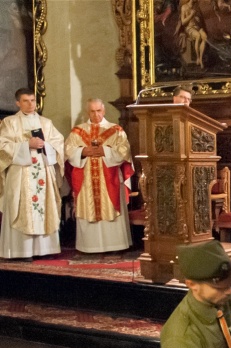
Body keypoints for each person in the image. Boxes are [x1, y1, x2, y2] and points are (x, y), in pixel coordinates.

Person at [0, 88, 65, 259]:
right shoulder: (9, 122)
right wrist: (26, 144)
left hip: (43, 170)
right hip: (21, 172)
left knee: (45, 207)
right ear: (17, 103)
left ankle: (45, 250)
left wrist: (45, 146)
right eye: (26, 101)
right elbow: (2, 146)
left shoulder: (46, 123)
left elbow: (59, 144)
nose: (30, 105)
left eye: (33, 101)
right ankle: (22, 251)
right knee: (20, 207)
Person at [64, 99, 134, 253]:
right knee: (87, 206)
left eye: (98, 111)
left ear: (104, 111)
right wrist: (83, 152)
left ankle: (116, 245)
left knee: (110, 205)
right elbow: (68, 151)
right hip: (86, 179)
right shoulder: (77, 131)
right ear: (87, 112)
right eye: (92, 111)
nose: (96, 114)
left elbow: (124, 152)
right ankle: (89, 246)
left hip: (110, 178)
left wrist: (105, 151)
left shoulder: (116, 130)